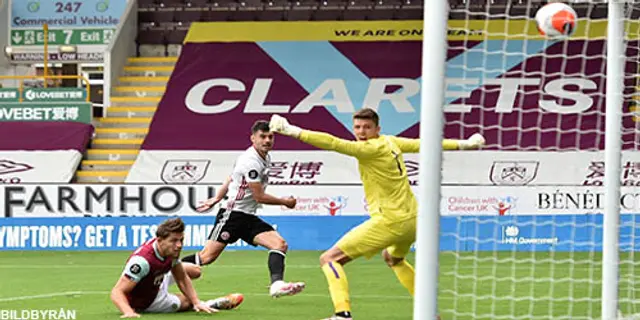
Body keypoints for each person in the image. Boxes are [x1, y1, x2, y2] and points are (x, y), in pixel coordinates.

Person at [269, 108, 486, 320]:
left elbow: (333, 142)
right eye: (357, 127)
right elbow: (425, 145)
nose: (361, 132)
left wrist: (291, 130)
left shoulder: (370, 149)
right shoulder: (390, 141)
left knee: (329, 259)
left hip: (391, 221)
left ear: (377, 128)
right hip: (414, 220)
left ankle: (342, 314)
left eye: (367, 127)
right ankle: (429, 312)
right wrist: (465, 144)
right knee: (393, 258)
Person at [181, 120, 306, 298]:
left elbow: (232, 177)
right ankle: (163, 271)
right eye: (262, 137)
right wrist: (284, 202)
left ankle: (277, 285)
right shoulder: (250, 161)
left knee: (279, 244)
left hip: (247, 216)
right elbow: (259, 196)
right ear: (253, 138)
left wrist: (216, 197)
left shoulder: (264, 157)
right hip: (232, 215)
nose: (267, 140)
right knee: (205, 258)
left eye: (270, 137)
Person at [110, 217, 244, 318]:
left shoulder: (168, 249)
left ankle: (198, 304)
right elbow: (117, 292)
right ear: (159, 240)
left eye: (181, 240)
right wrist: (128, 312)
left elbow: (182, 278)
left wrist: (196, 300)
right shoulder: (142, 262)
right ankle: (212, 303)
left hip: (157, 277)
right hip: (147, 300)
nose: (179, 245)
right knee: (186, 302)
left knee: (195, 271)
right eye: (174, 240)